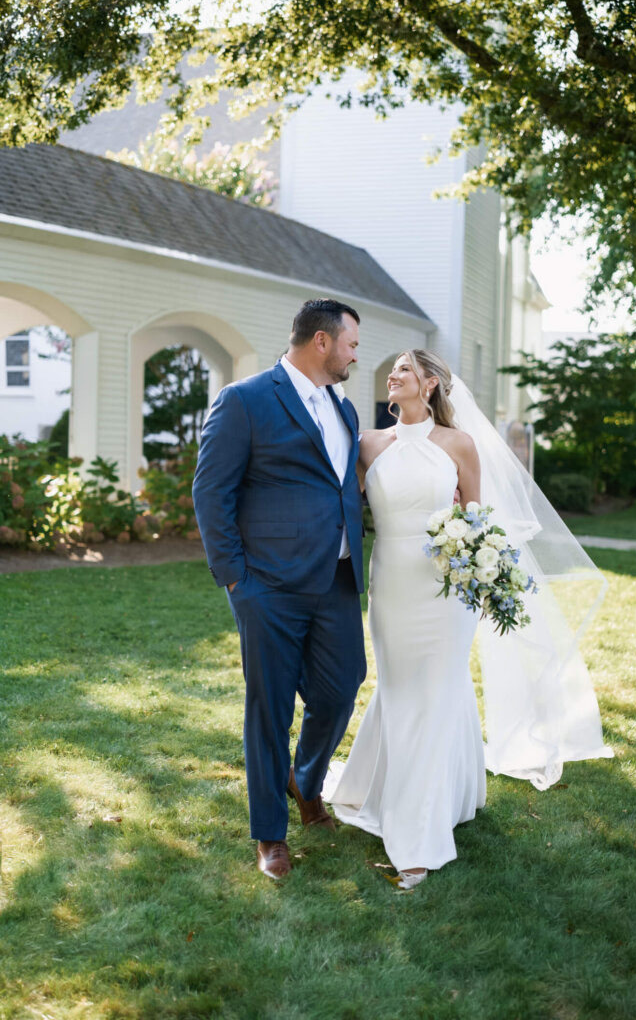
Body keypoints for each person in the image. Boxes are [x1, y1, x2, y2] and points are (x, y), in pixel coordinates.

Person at [324, 348, 612, 889]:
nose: (394, 375)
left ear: (430, 384)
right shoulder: (366, 444)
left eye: (405, 369)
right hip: (391, 583)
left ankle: (417, 831)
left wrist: (478, 567)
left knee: (438, 688)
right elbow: (340, 499)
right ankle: (431, 791)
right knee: (404, 687)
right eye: (392, 370)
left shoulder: (459, 444)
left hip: (446, 588)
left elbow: (477, 519)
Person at [192, 298, 367, 880]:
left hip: (336, 579)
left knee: (342, 688)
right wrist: (236, 577)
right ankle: (271, 834)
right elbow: (211, 492)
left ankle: (306, 779)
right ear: (322, 341)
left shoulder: (345, 410)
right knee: (268, 710)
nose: (354, 356)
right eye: (351, 344)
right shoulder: (244, 400)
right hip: (266, 584)